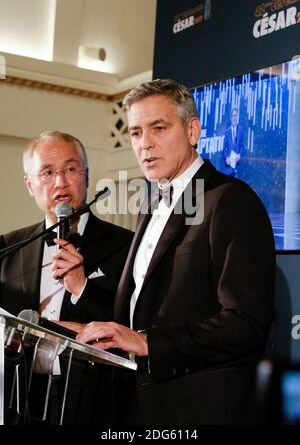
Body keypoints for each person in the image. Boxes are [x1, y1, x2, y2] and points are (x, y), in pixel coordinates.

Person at [71, 80, 275, 424]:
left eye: (158, 128)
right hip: (139, 403)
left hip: (201, 408)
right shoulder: (148, 206)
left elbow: (246, 323)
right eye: (135, 133)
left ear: (192, 130)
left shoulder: (230, 200)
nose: (144, 144)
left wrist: (149, 342)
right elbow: (144, 308)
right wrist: (82, 329)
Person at [0, 130, 133, 424]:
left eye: (70, 169)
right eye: (47, 172)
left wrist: (81, 287)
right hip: (17, 399)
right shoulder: (7, 247)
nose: (60, 182)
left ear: (86, 176)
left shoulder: (127, 245)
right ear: (30, 185)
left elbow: (133, 326)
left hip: (94, 402)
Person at [222, 107, 245, 177]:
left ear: (238, 117)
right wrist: (226, 158)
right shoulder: (227, 132)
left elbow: (243, 148)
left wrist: (239, 155)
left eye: (236, 116)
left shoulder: (241, 130)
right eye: (233, 116)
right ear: (230, 117)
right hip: (229, 168)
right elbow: (223, 150)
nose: (234, 118)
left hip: (238, 168)